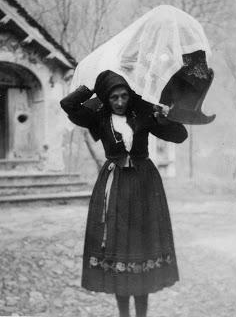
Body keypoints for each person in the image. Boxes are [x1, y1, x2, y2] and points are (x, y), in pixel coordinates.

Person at [60, 70, 188, 317]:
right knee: (119, 246)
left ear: (130, 96)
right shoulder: (98, 118)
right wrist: (94, 87)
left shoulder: (143, 114)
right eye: (114, 97)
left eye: (124, 96)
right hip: (114, 186)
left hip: (144, 186)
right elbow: (67, 104)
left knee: (142, 247)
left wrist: (164, 120)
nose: (120, 102)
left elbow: (180, 136)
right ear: (107, 99)